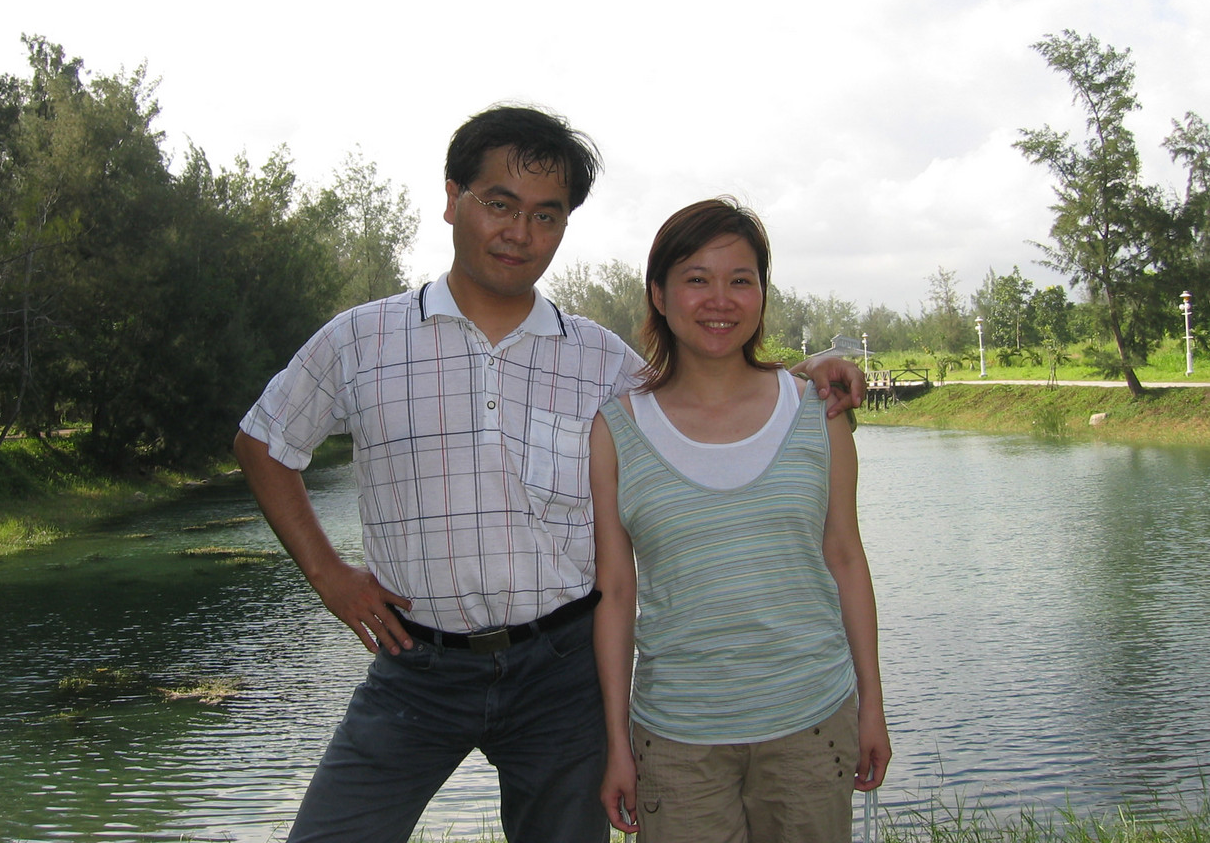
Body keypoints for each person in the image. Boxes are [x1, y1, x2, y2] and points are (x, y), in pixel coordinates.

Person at [234, 106, 868, 843]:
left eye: (546, 214)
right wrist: (328, 574)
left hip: (562, 673)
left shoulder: (599, 361)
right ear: (452, 198)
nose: (519, 232)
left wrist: (807, 372)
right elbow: (264, 441)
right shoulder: (363, 339)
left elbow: (704, 393)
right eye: (499, 204)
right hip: (416, 666)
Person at [591, 197, 891, 843]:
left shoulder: (818, 412)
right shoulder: (617, 430)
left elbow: (845, 556)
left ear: (762, 293)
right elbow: (615, 592)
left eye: (740, 280)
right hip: (677, 738)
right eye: (696, 279)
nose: (719, 300)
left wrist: (872, 703)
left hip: (812, 722)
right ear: (659, 295)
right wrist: (617, 740)